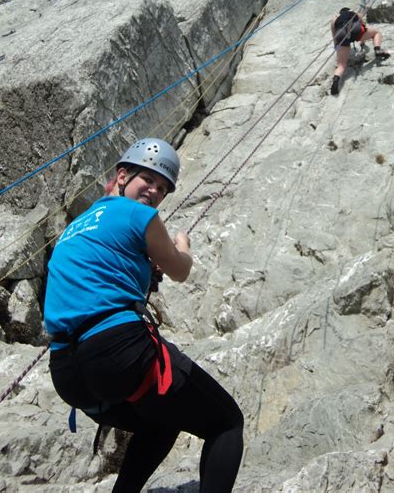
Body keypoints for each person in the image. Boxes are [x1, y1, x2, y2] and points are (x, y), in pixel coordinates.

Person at [44, 138, 244, 493]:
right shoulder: (140, 215)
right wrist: (183, 248)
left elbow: (97, 277)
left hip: (67, 372)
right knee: (226, 421)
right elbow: (180, 270)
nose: (154, 191)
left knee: (162, 419)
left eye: (162, 188)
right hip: (118, 353)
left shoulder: (76, 226)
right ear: (122, 175)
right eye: (148, 180)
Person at [330, 7, 390, 95]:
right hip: (355, 29)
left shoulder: (334, 19)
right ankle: (377, 49)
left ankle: (335, 81)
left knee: (341, 65)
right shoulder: (354, 12)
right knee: (377, 32)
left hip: (341, 35)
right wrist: (362, 41)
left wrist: (337, 47)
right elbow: (364, 26)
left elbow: (334, 37)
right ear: (348, 10)